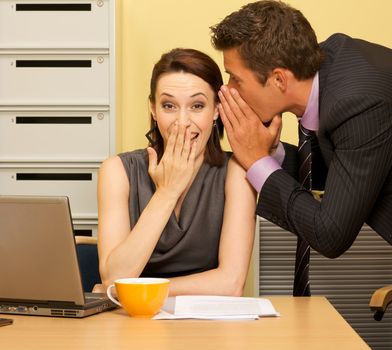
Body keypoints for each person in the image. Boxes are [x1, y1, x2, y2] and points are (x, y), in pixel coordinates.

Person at [210, 0, 392, 259]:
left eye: (235, 78)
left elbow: (330, 235)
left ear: (278, 79)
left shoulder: (358, 104)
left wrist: (257, 161)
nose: (227, 90)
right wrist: (270, 152)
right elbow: (341, 173)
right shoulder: (330, 70)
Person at [97, 48, 256, 296]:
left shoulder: (236, 171)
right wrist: (167, 191)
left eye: (197, 105)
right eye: (169, 105)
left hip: (208, 324)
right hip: (134, 321)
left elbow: (231, 284)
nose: (182, 122)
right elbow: (115, 277)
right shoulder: (117, 171)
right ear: (153, 108)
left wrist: (134, 290)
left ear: (216, 110)